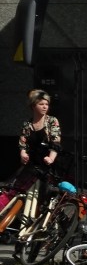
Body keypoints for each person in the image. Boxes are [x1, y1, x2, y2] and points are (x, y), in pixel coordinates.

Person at [0, 90, 63, 232]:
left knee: (46, 197)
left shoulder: (52, 121)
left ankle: (46, 228)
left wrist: (51, 157)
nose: (45, 106)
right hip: (33, 165)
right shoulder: (27, 124)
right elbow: (23, 143)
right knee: (12, 189)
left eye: (47, 104)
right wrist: (23, 153)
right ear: (33, 106)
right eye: (41, 104)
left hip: (49, 166)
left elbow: (56, 142)